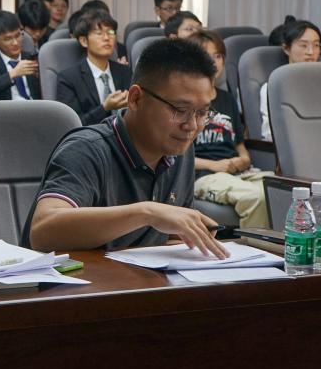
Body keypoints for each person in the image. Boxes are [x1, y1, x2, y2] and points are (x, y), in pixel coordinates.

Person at [24, 38, 228, 259]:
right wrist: (147, 212)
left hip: (140, 277)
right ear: (136, 99)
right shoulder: (86, 149)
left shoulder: (179, 150)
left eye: (202, 113)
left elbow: (167, 238)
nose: (192, 126)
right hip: (76, 279)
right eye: (180, 110)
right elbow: (42, 232)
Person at [188, 30, 270, 227]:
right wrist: (214, 165)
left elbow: (240, 145)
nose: (214, 62)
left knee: (283, 190)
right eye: (207, 56)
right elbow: (175, 157)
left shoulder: (227, 99)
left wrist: (243, 159)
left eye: (218, 56)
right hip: (204, 176)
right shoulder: (184, 101)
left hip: (237, 172)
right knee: (256, 197)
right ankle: (253, 246)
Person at [55, 10, 131, 125]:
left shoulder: (125, 72)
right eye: (99, 33)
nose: (107, 38)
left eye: (111, 32)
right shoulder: (68, 79)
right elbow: (71, 124)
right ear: (84, 41)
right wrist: (104, 108)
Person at [260, 19, 321, 141]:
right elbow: (269, 134)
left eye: (316, 45)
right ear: (287, 49)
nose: (311, 52)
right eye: (303, 45)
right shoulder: (273, 87)